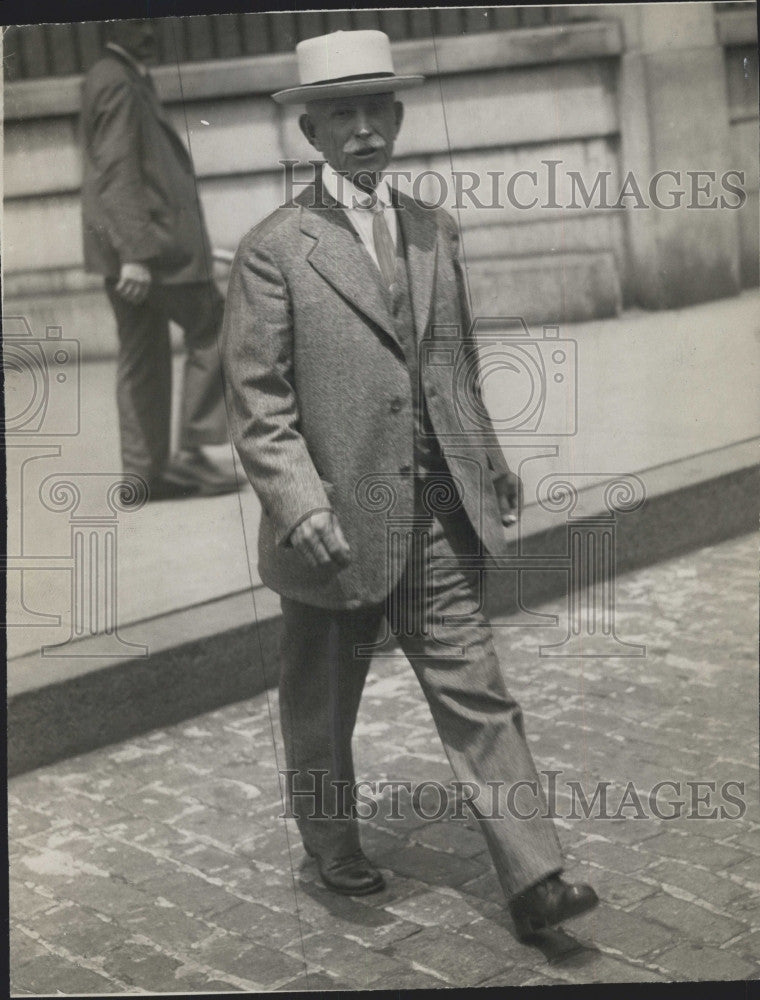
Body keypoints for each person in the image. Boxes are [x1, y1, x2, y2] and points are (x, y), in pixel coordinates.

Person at [222, 29, 598, 940]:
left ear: (397, 118)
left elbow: (454, 363)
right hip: (335, 525)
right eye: (339, 116)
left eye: (374, 111)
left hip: (435, 510)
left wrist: (488, 459)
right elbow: (257, 398)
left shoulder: (432, 228)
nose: (361, 131)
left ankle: (536, 877)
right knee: (321, 705)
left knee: (478, 691)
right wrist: (299, 502)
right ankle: (330, 845)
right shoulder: (276, 249)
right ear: (310, 131)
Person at [80, 18, 238, 500]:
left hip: (139, 250)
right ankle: (193, 452)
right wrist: (135, 255)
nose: (149, 31)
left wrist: (134, 252)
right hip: (154, 254)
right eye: (135, 21)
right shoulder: (119, 80)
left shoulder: (113, 76)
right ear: (109, 22)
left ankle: (144, 474)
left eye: (152, 19)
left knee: (142, 356)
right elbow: (117, 171)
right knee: (215, 325)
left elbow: (137, 173)